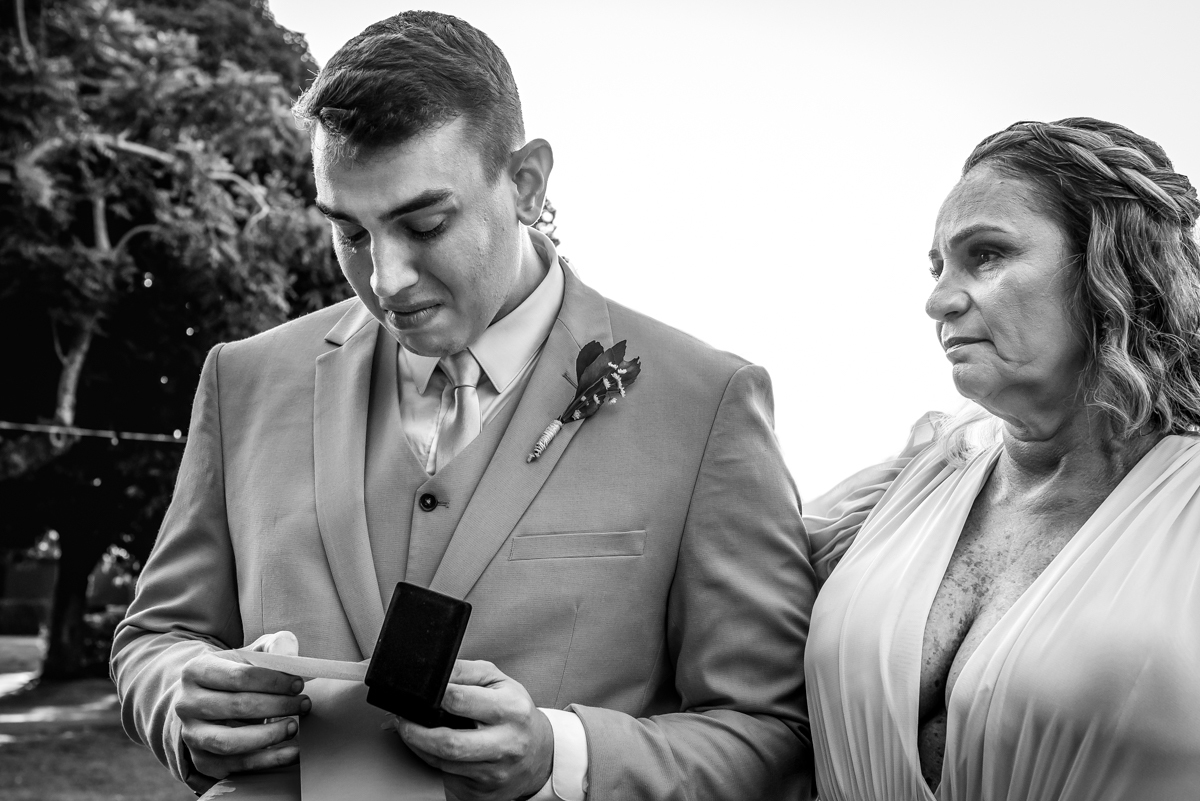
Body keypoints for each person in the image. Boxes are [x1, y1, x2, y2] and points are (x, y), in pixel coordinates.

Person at [110, 11, 815, 801]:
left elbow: (772, 728)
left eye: (424, 223)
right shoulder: (243, 379)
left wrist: (563, 756)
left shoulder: (706, 402)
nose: (386, 278)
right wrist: (179, 695)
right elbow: (154, 634)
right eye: (349, 231)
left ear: (526, 182)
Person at [803, 117, 1200, 801]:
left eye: (985, 255)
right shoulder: (918, 478)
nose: (938, 299)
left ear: (1113, 264)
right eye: (939, 267)